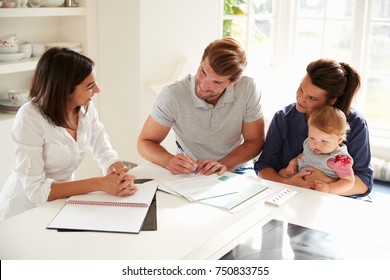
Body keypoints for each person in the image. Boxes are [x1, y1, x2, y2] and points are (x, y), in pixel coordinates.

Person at [0, 47, 137, 220]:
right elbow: (36, 190)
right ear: (64, 89)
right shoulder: (30, 116)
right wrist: (99, 184)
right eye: (89, 86)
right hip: (24, 212)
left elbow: (104, 152)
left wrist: (119, 176)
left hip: (61, 204)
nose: (97, 90)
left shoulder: (86, 109)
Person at [137, 37, 265, 176]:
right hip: (191, 170)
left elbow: (255, 141)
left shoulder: (247, 89)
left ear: (232, 82)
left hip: (236, 167)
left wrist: (224, 165)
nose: (203, 86)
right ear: (201, 61)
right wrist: (169, 161)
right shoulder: (173, 94)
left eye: (216, 82)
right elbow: (144, 143)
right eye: (203, 72)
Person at [254, 58, 373, 198]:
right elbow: (264, 166)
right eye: (301, 88)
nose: (301, 99)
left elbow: (363, 182)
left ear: (331, 101)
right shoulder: (283, 117)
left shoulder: (355, 122)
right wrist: (290, 183)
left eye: (311, 98)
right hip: (290, 194)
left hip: (337, 199)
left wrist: (326, 184)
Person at [279, 106, 355, 194]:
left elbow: (348, 181)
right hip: (299, 183)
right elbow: (303, 155)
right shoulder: (309, 144)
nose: (316, 144)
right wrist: (292, 164)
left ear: (339, 140)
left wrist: (329, 188)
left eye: (324, 141)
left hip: (319, 192)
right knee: (282, 173)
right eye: (312, 138)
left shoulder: (339, 159)